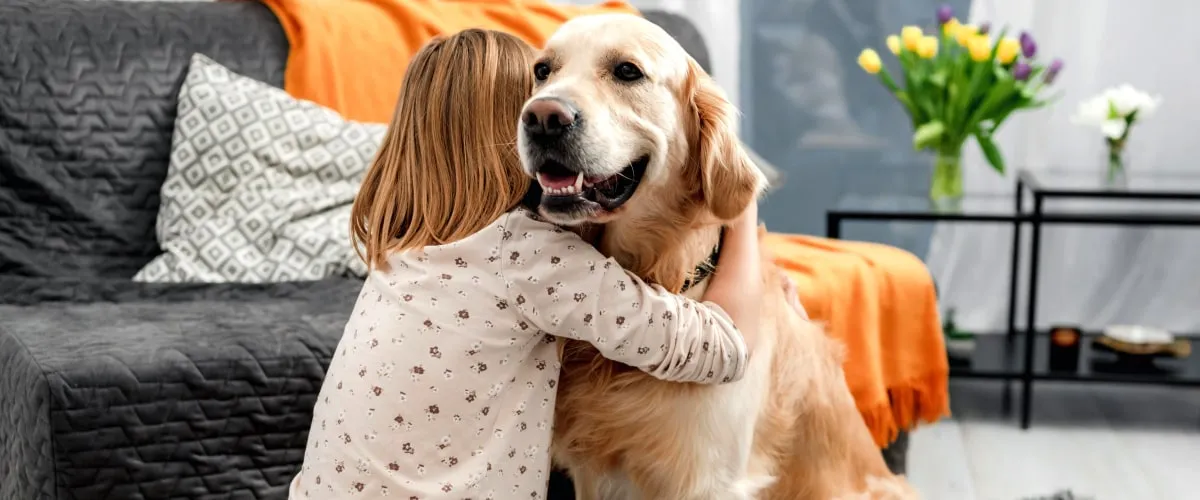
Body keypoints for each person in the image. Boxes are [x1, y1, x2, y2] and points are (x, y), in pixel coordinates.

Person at [288, 28, 771, 500]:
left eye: (624, 72)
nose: (549, 107)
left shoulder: (400, 244)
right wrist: (745, 218)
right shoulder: (530, 260)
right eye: (541, 77)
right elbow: (721, 349)